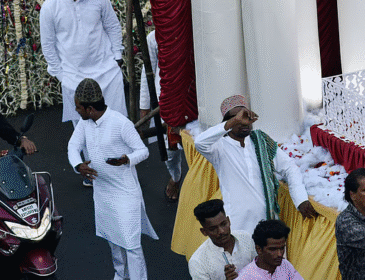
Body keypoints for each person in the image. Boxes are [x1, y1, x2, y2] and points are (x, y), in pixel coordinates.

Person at [66, 78, 157, 280]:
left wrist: (127, 159)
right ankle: (120, 275)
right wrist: (78, 165)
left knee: (131, 246)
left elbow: (143, 151)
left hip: (125, 194)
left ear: (89, 108)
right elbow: (73, 147)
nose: (76, 110)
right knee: (114, 242)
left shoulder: (120, 123)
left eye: (78, 107)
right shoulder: (84, 123)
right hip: (103, 194)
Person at [194, 95, 317, 233]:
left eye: (246, 116)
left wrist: (300, 199)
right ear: (228, 123)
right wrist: (234, 121)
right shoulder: (219, 147)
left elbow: (289, 167)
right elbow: (199, 142)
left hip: (268, 223)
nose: (244, 121)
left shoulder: (261, 142)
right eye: (237, 118)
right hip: (237, 225)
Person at [40, 0, 127, 123]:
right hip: (73, 77)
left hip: (107, 71)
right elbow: (48, 46)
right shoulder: (50, 7)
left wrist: (117, 56)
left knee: (117, 121)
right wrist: (61, 76)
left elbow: (113, 26)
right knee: (85, 128)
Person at [139, 30, 183, 202]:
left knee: (197, 146)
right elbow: (147, 70)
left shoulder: (192, 30)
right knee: (170, 149)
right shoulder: (152, 37)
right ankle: (176, 177)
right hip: (165, 101)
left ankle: (198, 187)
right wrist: (144, 105)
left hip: (191, 99)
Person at [189, 199, 256, 280]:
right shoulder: (198, 262)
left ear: (228, 221)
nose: (221, 231)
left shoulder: (246, 238)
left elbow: (262, 268)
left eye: (224, 224)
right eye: (213, 229)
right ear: (204, 232)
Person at [236, 220, 303, 279]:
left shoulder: (285, 265)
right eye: (273, 249)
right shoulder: (245, 277)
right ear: (259, 249)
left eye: (282, 248)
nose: (279, 254)